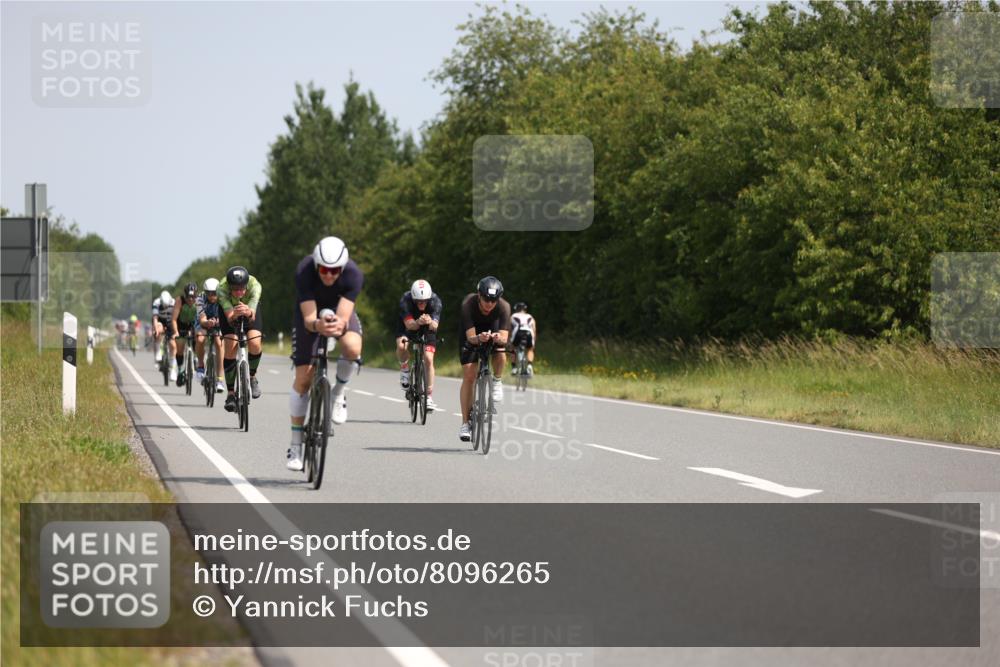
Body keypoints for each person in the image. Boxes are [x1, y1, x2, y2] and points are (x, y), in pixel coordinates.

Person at [286, 236, 363, 471]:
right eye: (324, 269)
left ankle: (338, 394)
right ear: (316, 265)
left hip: (338, 312)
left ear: (342, 268)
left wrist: (337, 325)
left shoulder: (354, 275)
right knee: (303, 379)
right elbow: (309, 318)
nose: (329, 275)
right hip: (309, 316)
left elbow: (343, 315)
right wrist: (318, 325)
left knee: (352, 347)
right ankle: (296, 444)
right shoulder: (304, 270)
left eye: (334, 270)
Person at [457, 276, 510, 442]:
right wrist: (479, 338)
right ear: (479, 295)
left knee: (500, 351)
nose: (489, 304)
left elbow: (504, 338)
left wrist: (496, 338)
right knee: (469, 376)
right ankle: (465, 423)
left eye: (493, 300)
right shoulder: (468, 304)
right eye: (486, 299)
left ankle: (497, 381)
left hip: (492, 329)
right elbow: (471, 338)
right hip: (472, 333)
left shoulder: (504, 307)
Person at [218, 266, 264, 412]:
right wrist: (235, 314)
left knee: (254, 342)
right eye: (235, 289)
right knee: (231, 345)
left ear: (246, 285)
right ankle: (231, 393)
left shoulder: (255, 286)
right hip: (229, 312)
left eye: (241, 289)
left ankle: (252, 377)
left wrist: (248, 312)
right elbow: (230, 318)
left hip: (250, 309)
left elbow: (253, 315)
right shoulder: (222, 288)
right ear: (229, 286)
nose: (238, 292)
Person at [396, 279, 442, 411]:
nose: (422, 304)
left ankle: (428, 396)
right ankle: (404, 368)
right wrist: (418, 322)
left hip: (427, 328)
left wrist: (429, 321)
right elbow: (410, 325)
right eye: (418, 302)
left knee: (428, 358)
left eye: (424, 301)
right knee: (401, 345)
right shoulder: (405, 300)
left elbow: (435, 326)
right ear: (413, 298)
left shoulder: (435, 301)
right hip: (408, 325)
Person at [195, 277, 225, 393]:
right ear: (205, 292)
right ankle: (201, 366)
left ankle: (220, 380)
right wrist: (208, 323)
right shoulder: (200, 299)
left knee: (219, 342)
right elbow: (202, 319)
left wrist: (218, 322)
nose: (212, 296)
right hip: (204, 322)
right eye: (209, 293)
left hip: (219, 322)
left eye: (214, 293)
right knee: (200, 338)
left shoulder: (223, 298)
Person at [170, 283, 199, 387]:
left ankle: (196, 358)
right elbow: (173, 319)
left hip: (193, 324)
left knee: (198, 338)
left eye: (193, 297)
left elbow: (201, 318)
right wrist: (176, 332)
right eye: (188, 297)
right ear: (185, 295)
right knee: (180, 348)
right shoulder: (179, 300)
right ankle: (180, 369)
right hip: (181, 325)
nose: (191, 300)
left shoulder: (199, 301)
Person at [509, 301, 537, 376]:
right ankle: (529, 365)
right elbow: (534, 330)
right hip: (529, 333)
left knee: (512, 348)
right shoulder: (530, 317)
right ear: (525, 309)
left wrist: (509, 340)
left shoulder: (513, 316)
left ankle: (514, 368)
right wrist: (533, 342)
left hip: (518, 332)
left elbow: (510, 329)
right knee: (530, 349)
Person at [151, 290, 174, 371]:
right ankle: (157, 352)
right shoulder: (156, 303)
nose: (165, 308)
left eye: (166, 306)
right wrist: (156, 329)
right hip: (159, 319)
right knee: (157, 332)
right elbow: (155, 318)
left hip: (169, 320)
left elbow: (176, 318)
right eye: (163, 306)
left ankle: (171, 360)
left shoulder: (173, 302)